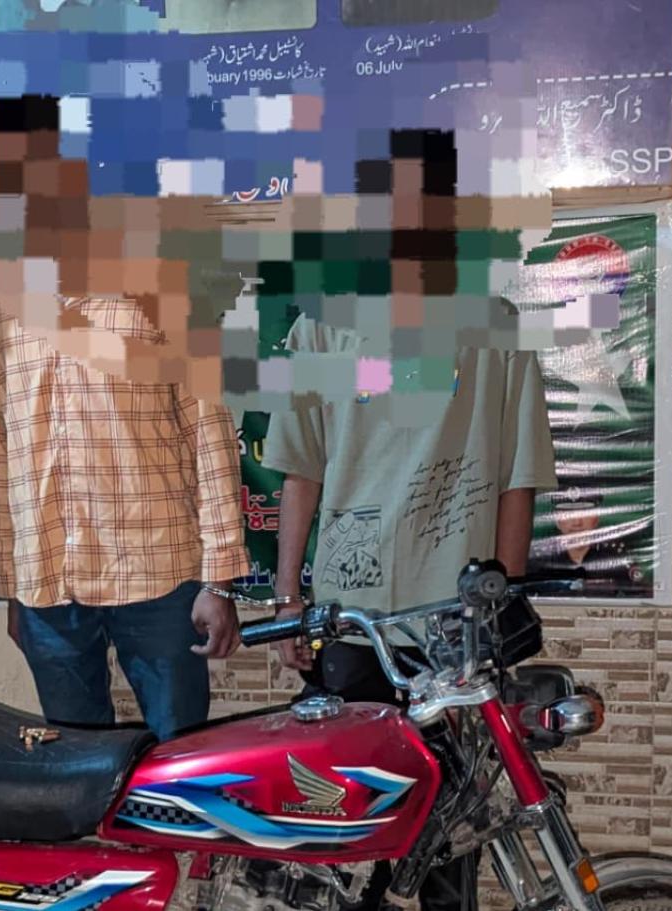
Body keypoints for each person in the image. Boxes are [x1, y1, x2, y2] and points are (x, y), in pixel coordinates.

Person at [263, 129, 559, 911]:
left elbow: (517, 479)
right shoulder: (319, 329)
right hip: (351, 624)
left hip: (454, 633)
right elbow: (300, 470)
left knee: (450, 841)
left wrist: (502, 605)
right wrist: (288, 598)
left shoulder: (497, 327)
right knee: (346, 838)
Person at [0, 94, 253, 740]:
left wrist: (219, 578)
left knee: (179, 759)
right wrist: (12, 580)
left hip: (158, 574)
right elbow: (1, 438)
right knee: (72, 766)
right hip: (47, 585)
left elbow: (209, 431)